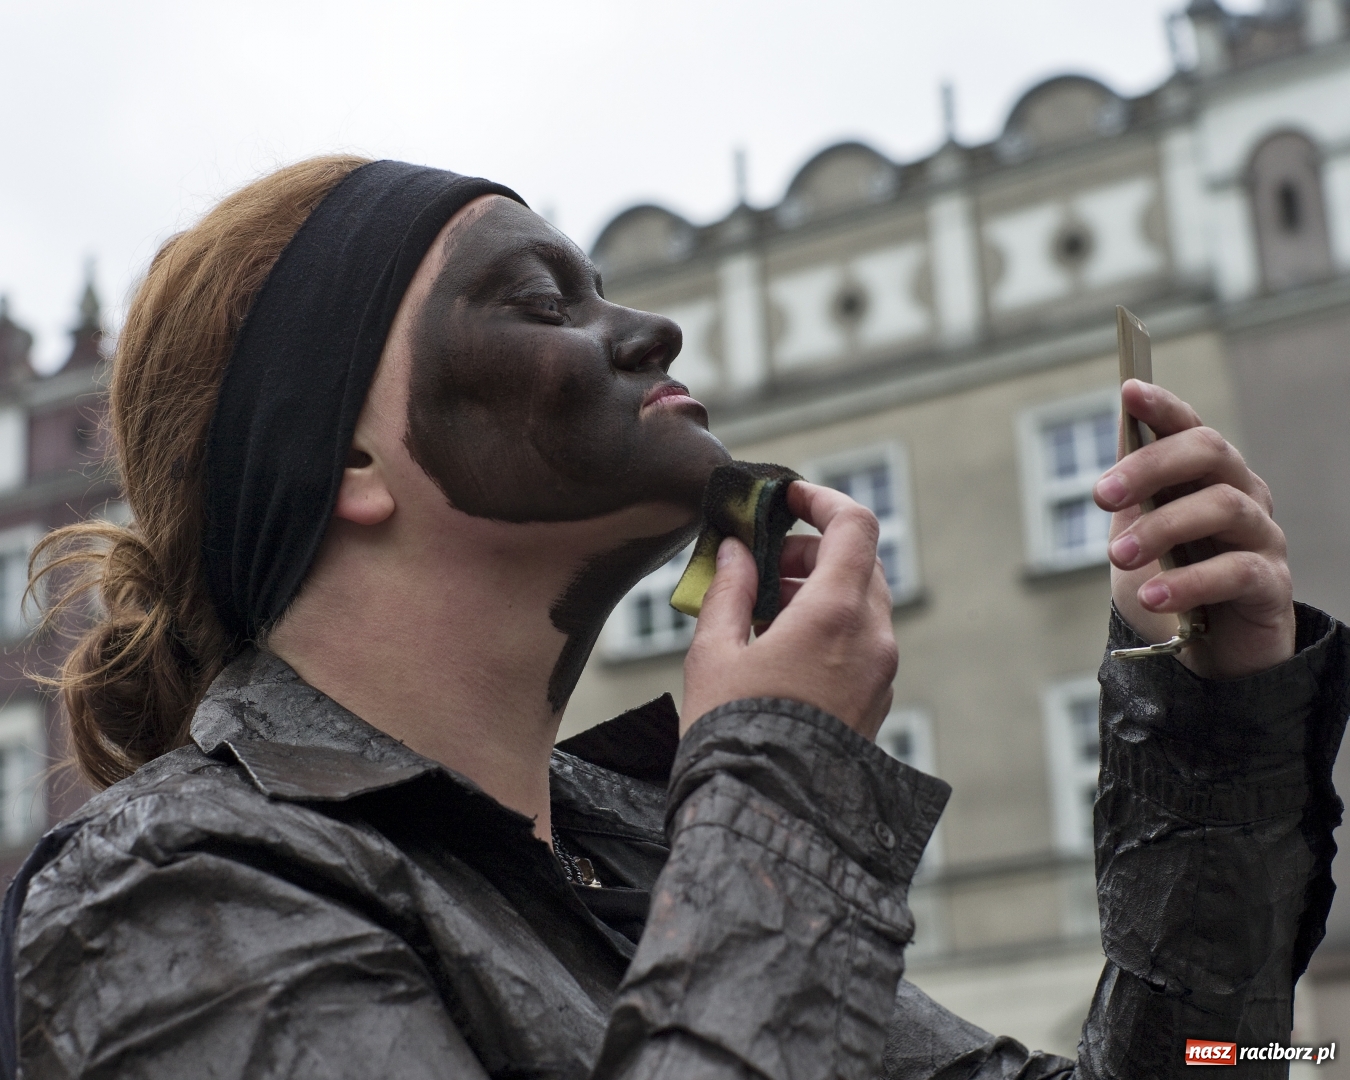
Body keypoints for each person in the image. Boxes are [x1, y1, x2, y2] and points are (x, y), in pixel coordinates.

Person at [1, 155, 1343, 1080]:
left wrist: (1210, 728)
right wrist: (776, 779)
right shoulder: (171, 889)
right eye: (538, 302)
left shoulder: (631, 879)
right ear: (345, 464)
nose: (652, 333)